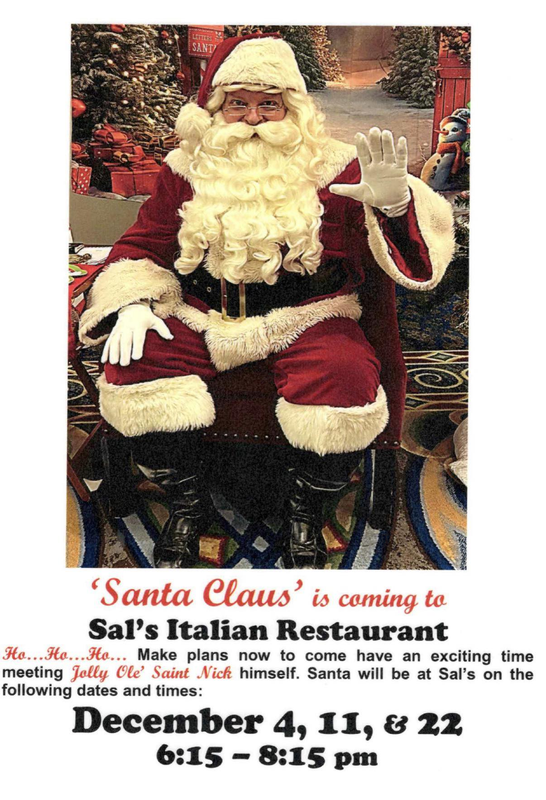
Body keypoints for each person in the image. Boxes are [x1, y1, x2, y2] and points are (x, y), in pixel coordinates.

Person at [79, 33, 455, 570]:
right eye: (238, 103)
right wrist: (134, 302)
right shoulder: (186, 168)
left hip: (308, 314)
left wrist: (396, 207)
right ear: (217, 109)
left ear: (292, 108)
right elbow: (143, 243)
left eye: (268, 104)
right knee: (136, 366)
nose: (253, 118)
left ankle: (306, 508)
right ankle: (187, 501)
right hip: (202, 313)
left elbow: (404, 253)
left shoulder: (338, 167)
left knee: (344, 376)